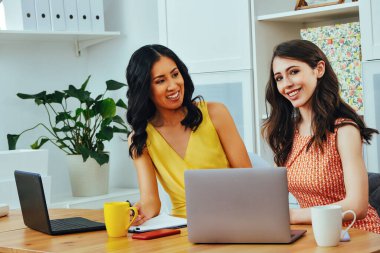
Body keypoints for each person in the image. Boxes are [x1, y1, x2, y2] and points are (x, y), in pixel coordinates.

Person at [262, 39, 380, 233]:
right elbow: (271, 195)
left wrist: (292, 216)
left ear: (319, 69)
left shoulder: (344, 130)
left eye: (293, 72)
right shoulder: (288, 133)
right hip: (317, 235)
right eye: (279, 78)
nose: (286, 84)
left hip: (357, 235)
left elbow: (357, 205)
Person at [126, 44, 251, 225]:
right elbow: (151, 202)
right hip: (184, 228)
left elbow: (247, 179)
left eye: (175, 74)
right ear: (145, 89)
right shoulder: (140, 137)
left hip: (234, 218)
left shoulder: (215, 113)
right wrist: (136, 212)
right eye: (160, 81)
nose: (173, 85)